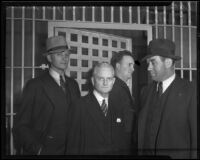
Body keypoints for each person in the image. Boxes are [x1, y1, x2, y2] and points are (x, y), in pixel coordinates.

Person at [13, 35, 80, 155]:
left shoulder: (73, 84)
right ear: (49, 58)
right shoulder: (35, 85)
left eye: (66, 55)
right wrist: (38, 150)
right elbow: (21, 125)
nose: (64, 58)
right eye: (59, 54)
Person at [138, 38, 197, 159]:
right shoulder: (145, 92)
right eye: (148, 63)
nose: (148, 67)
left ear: (168, 63)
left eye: (153, 62)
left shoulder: (191, 91)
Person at [66, 62, 134, 155]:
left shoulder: (118, 106)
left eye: (109, 79)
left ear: (113, 81)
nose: (105, 83)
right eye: (101, 78)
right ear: (93, 80)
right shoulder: (79, 106)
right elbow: (73, 146)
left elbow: (122, 142)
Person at [110, 50, 138, 155]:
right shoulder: (114, 88)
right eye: (129, 65)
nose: (133, 69)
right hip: (119, 147)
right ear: (117, 66)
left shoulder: (121, 86)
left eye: (133, 65)